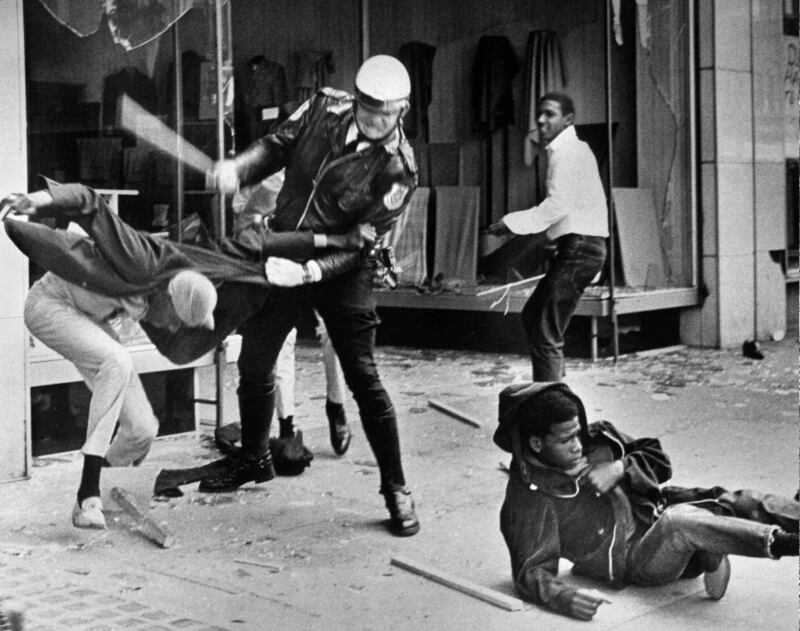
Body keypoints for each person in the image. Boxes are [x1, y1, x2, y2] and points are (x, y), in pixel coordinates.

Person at [2, 180, 373, 528]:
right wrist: (35, 201)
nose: (166, 326)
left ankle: (109, 493)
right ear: (167, 298)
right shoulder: (142, 258)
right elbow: (87, 201)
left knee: (143, 431)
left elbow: (262, 243)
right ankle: (88, 493)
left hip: (91, 319)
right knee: (117, 360)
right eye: (174, 320)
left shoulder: (191, 275)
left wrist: (338, 239)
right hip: (51, 304)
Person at [205, 54, 420, 537]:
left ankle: (396, 488)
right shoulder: (324, 106)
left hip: (341, 269)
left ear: (401, 110)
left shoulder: (399, 171)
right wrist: (239, 169)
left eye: (383, 113)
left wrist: (308, 273)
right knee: (256, 364)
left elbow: (359, 243)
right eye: (366, 106)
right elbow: (276, 145)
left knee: (364, 378)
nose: (370, 118)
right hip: (283, 245)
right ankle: (254, 458)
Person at [494, 382, 799, 621]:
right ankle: (781, 543)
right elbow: (530, 570)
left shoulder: (598, 439)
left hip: (656, 506)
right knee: (678, 523)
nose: (577, 446)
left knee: (737, 500)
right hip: (637, 559)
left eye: (577, 433)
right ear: (536, 444)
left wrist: (621, 467)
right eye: (565, 440)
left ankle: (713, 545)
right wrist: (563, 598)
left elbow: (659, 459)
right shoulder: (530, 496)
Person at [488, 92, 608, 382]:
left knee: (544, 329)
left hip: (581, 248)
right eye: (539, 113)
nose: (541, 120)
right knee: (535, 318)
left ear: (568, 120)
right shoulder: (573, 150)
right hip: (581, 247)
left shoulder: (567, 152)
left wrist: (510, 223)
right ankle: (556, 396)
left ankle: (553, 411)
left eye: (550, 114)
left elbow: (557, 206)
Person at [233, 172, 351, 454]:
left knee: (336, 332)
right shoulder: (272, 175)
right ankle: (287, 425)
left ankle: (336, 404)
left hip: (322, 257)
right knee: (282, 342)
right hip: (282, 256)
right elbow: (244, 221)